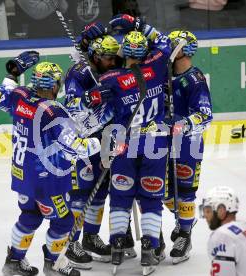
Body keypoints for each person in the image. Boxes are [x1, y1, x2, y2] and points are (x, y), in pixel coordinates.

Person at [0, 51, 101, 276]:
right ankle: (54, 264)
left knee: (30, 215)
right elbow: (76, 147)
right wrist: (102, 143)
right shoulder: (53, 111)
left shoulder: (20, 96)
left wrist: (12, 74)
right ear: (55, 85)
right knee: (63, 221)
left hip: (22, 174)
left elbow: (0, 98)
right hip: (48, 180)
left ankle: (13, 261)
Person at [82, 14, 171, 275]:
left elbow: (92, 105)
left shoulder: (111, 78)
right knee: (151, 199)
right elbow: (165, 43)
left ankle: (118, 245)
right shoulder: (156, 65)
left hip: (124, 145)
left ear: (124, 52)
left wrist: (94, 95)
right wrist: (141, 25)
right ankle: (150, 249)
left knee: (120, 197)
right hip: (155, 144)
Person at [61, 22, 124, 269]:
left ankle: (90, 237)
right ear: (96, 56)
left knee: (100, 190)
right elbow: (72, 105)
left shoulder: (110, 68)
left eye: (114, 58)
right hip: (81, 140)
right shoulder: (78, 71)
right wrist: (91, 98)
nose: (113, 62)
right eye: (108, 58)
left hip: (105, 138)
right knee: (80, 193)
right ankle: (70, 242)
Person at [164, 29, 213, 265]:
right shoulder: (164, 76)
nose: (169, 48)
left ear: (186, 50)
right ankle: (186, 219)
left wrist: (182, 124)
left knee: (185, 191)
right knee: (160, 191)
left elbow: (205, 115)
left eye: (174, 45)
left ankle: (184, 234)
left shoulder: (195, 79)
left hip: (188, 144)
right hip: (161, 143)